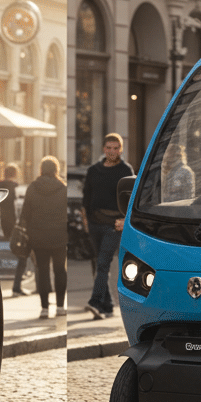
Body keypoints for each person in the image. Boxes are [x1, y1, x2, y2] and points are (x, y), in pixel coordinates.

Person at [82, 133, 134, 319]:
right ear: (104, 149)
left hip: (114, 225)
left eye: (116, 148)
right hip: (94, 223)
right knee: (97, 264)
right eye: (109, 148)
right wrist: (86, 220)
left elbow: (131, 199)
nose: (112, 151)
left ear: (121, 150)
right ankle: (108, 306)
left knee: (103, 263)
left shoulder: (125, 170)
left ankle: (95, 302)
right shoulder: (93, 170)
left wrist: (125, 219)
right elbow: (86, 197)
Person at [21, 156, 68, 318]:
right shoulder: (63, 189)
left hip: (38, 236)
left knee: (42, 271)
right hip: (60, 236)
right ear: (56, 170)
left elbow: (25, 213)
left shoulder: (33, 188)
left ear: (41, 170)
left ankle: (44, 308)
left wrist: (26, 231)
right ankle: (61, 307)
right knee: (60, 270)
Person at [0, 164, 30, 296]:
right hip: (15, 226)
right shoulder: (17, 188)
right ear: (15, 174)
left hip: (0, 226)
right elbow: (19, 209)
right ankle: (16, 287)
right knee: (22, 256)